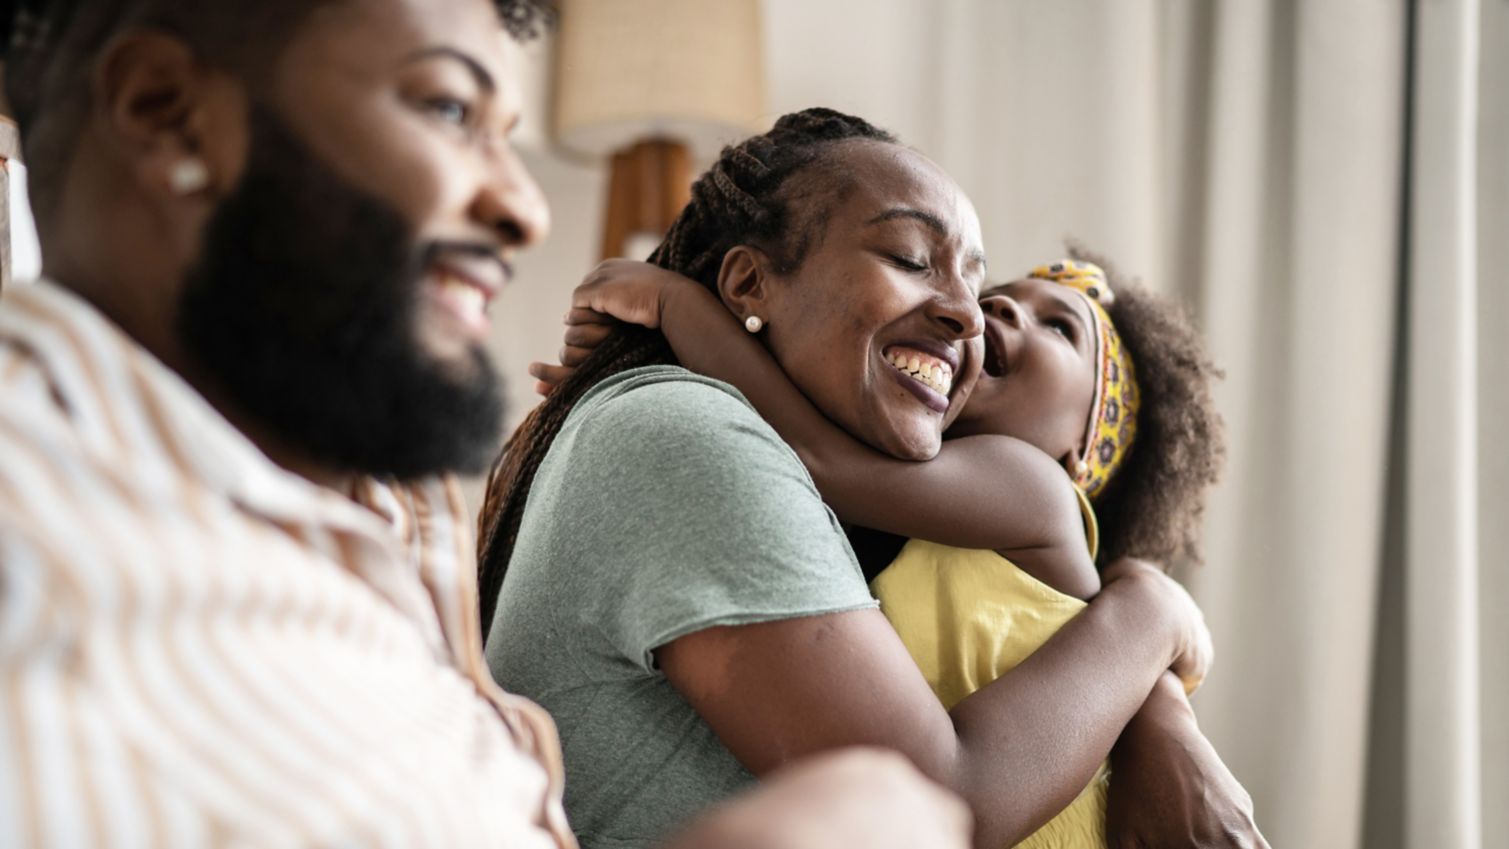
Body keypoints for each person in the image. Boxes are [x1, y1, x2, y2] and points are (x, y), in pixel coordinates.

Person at [0, 3, 975, 848]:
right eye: (447, 108)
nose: (524, 206)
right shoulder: (36, 530)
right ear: (167, 113)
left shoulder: (373, 516)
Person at [480, 109, 1262, 849]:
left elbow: (823, 458)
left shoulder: (1009, 489)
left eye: (1056, 326)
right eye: (911, 260)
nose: (975, 317)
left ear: (1084, 454)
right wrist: (1153, 613)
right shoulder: (692, 438)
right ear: (747, 283)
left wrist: (678, 308)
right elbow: (937, 802)